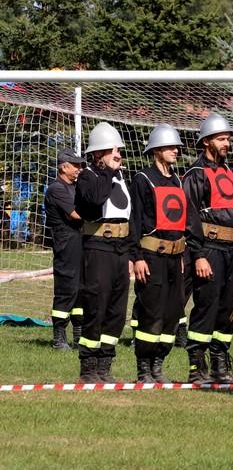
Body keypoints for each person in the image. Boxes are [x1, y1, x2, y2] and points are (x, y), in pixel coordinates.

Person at [183, 113, 233, 384]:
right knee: (206, 306)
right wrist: (198, 255)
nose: (226, 143)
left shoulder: (232, 173)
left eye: (228, 139)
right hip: (209, 249)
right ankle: (197, 366)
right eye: (221, 139)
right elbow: (190, 217)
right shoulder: (196, 174)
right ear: (206, 141)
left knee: (228, 309)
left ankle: (220, 363)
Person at [74, 122, 133, 383]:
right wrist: (108, 171)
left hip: (120, 249)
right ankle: (88, 367)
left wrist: (132, 254)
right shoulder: (88, 176)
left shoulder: (119, 178)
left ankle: (105, 365)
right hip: (98, 247)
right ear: (98, 153)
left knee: (116, 310)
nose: (118, 155)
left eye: (118, 150)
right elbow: (96, 198)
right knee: (96, 306)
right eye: (113, 150)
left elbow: (131, 217)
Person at [130, 124, 187, 383]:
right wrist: (137, 257)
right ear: (156, 150)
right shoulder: (142, 179)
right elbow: (135, 220)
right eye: (170, 147)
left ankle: (158, 364)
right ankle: (144, 368)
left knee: (173, 312)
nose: (176, 151)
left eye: (176, 147)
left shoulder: (177, 180)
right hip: (152, 256)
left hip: (175, 257)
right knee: (151, 312)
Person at [44, 147, 85, 350]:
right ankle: (59, 338)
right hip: (66, 245)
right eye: (75, 165)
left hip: (82, 244)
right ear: (63, 167)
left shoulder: (76, 187)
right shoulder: (56, 189)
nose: (79, 169)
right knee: (66, 290)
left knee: (82, 290)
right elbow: (76, 214)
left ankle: (79, 335)